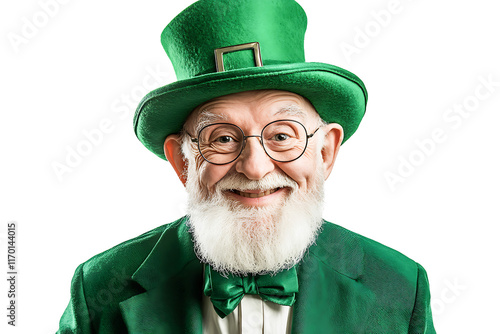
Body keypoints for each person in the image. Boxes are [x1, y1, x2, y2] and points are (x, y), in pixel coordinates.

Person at [57, 0, 435, 333]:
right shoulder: (100, 290)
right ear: (183, 162)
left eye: (282, 136)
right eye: (222, 138)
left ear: (325, 152)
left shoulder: (400, 289)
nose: (255, 168)